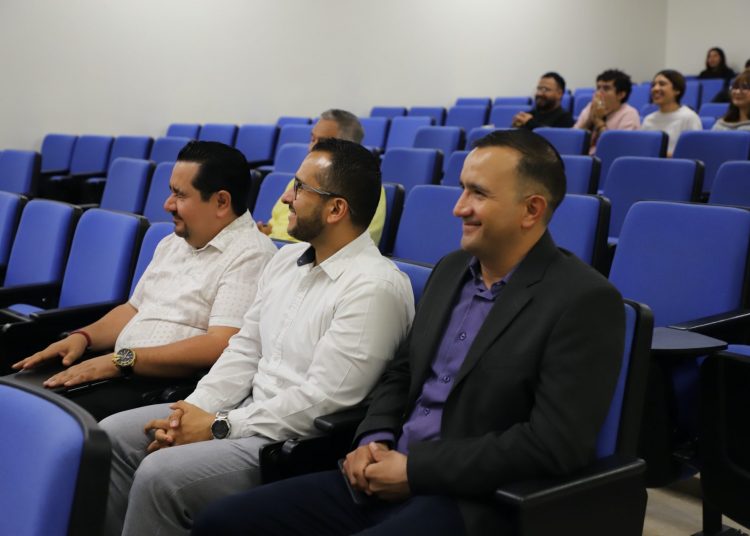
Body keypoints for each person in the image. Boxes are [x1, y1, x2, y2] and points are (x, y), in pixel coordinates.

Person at [191, 130, 626, 536]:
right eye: (462, 189)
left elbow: (552, 445)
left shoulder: (583, 300)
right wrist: (373, 439)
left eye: (478, 194)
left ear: (532, 210)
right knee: (222, 522)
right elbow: (402, 372)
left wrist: (416, 470)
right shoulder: (452, 270)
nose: (459, 207)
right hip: (381, 473)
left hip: (472, 498)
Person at [100, 138, 415, 536]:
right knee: (112, 436)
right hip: (243, 413)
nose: (285, 198)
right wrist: (189, 412)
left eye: (300, 188)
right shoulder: (286, 260)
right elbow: (244, 350)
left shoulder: (374, 288)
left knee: (160, 475)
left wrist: (217, 426)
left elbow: (322, 402)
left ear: (336, 209)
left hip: (289, 444)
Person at [10, 141, 277, 420]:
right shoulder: (173, 242)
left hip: (164, 387)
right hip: (122, 368)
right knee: (18, 392)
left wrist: (121, 360)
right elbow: (133, 309)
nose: (167, 204)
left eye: (180, 195)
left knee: (41, 417)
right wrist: (82, 337)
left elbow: (221, 344)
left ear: (221, 202)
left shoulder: (251, 255)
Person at [258, 109, 386, 245]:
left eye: (323, 142)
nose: (312, 147)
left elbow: (341, 243)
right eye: (313, 139)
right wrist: (265, 231)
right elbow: (274, 223)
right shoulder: (297, 181)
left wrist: (271, 241)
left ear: (346, 147)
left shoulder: (365, 190)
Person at [574, 69, 640, 153]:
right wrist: (590, 119)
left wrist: (598, 122)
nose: (599, 93)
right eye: (598, 88)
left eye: (606, 89)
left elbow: (618, 149)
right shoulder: (590, 107)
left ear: (621, 95)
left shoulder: (629, 114)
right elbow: (573, 139)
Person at [642, 69, 702, 155]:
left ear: (677, 90)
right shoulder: (648, 119)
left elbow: (694, 153)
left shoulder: (689, 117)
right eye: (653, 85)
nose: (655, 89)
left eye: (662, 84)